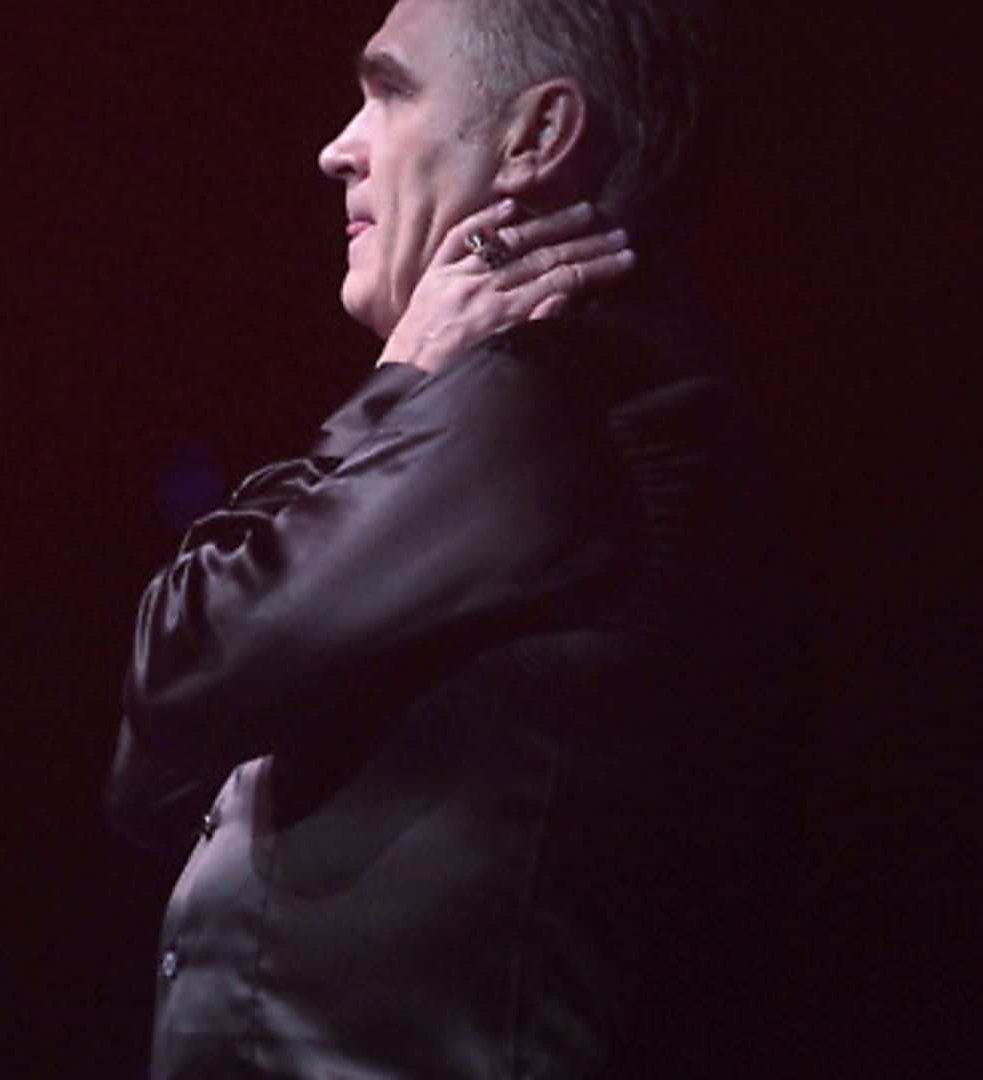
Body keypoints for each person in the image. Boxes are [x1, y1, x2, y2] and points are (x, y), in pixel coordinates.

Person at [106, 0, 798, 1075]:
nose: (338, 148)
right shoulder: (566, 400)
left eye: (390, 91)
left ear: (536, 138)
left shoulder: (551, 403)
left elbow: (182, 668)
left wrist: (395, 389)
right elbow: (152, 778)